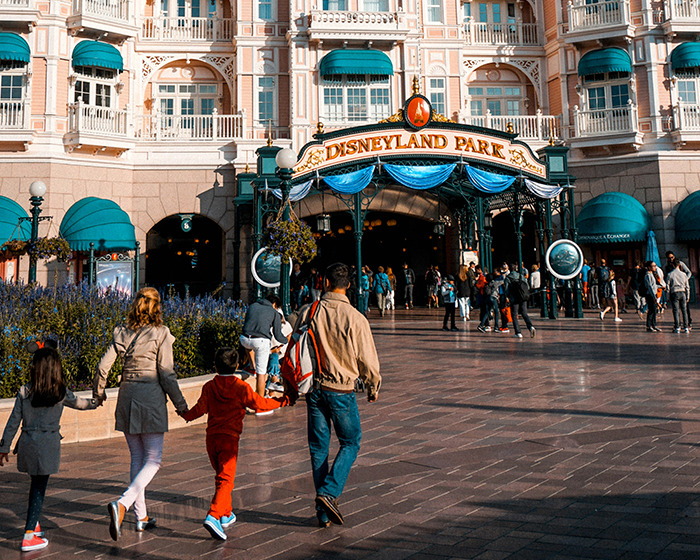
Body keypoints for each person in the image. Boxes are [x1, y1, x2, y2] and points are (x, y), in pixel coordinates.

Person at [93, 287, 189, 541]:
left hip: (127, 395)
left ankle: (141, 517)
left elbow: (103, 366)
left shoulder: (121, 332)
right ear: (157, 307)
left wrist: (99, 393)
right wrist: (180, 404)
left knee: (137, 457)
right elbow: (166, 373)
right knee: (154, 459)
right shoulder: (161, 333)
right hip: (150, 397)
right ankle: (123, 504)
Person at [294, 263, 381, 528]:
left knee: (318, 448)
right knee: (351, 441)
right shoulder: (355, 318)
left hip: (315, 390)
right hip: (341, 390)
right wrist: (373, 386)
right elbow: (368, 359)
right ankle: (329, 493)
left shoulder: (309, 310)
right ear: (349, 285)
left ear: (324, 282)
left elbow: (294, 346)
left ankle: (323, 512)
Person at [181, 348, 295, 540]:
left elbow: (200, 409)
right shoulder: (241, 388)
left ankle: (226, 513)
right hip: (229, 440)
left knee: (221, 476)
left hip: (212, 439)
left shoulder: (209, 386)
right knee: (226, 479)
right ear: (236, 366)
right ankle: (214, 515)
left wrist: (186, 415)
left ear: (216, 366)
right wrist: (282, 401)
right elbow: (260, 404)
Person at [1, 344, 99, 552]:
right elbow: (81, 403)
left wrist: (4, 448)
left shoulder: (25, 391)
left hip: (27, 444)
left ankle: (34, 524)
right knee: (39, 489)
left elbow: (12, 423)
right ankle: (29, 536)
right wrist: (96, 401)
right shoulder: (60, 392)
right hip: (47, 446)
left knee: (35, 486)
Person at [240, 293, 287, 400]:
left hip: (244, 339)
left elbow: (247, 325)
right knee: (261, 374)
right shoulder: (273, 312)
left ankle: (252, 366)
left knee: (249, 343)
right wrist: (286, 340)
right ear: (274, 304)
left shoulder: (252, 306)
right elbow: (278, 335)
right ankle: (259, 404)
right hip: (261, 341)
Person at [504, 263, 536, 338]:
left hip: (514, 298)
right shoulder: (521, 276)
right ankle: (531, 326)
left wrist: (509, 297)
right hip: (522, 296)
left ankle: (518, 332)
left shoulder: (508, 278)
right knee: (524, 313)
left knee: (514, 315)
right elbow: (527, 286)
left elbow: (507, 290)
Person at [665, 251, 693, 329]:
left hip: (680, 287)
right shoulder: (667, 266)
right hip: (675, 289)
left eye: (672, 257)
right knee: (677, 309)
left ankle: (687, 323)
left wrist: (684, 280)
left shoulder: (680, 263)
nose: (671, 259)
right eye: (669, 258)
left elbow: (689, 272)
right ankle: (678, 324)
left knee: (684, 309)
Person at [644, 261, 662, 332]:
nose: (655, 267)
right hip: (650, 295)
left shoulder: (652, 274)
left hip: (654, 294)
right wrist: (654, 297)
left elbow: (654, 285)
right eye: (653, 266)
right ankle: (649, 325)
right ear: (649, 267)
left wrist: (661, 287)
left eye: (655, 266)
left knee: (654, 310)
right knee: (651, 310)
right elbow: (650, 287)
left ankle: (654, 325)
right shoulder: (648, 275)